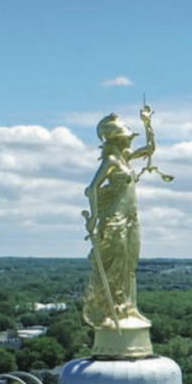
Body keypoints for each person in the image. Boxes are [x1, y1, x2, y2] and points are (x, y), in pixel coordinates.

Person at [82, 106, 158, 329]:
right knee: (113, 266)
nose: (130, 143)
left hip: (131, 218)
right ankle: (110, 310)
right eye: (127, 139)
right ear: (116, 140)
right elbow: (92, 188)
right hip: (114, 220)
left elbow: (150, 149)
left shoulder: (125, 159)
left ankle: (129, 308)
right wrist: (94, 215)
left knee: (129, 266)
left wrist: (147, 124)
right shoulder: (111, 161)